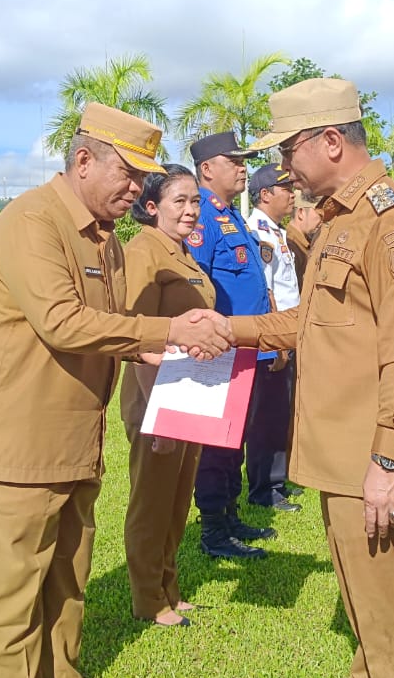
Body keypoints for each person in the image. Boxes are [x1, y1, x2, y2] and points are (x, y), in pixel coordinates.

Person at [0, 103, 231, 678]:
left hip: (74, 435)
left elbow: (114, 326)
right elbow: (65, 323)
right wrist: (166, 334)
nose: (138, 190)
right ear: (82, 161)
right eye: (128, 174)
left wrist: (152, 353)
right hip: (13, 437)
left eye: (142, 178)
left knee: (68, 570)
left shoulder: (105, 238)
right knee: (13, 578)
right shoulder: (31, 222)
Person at [231, 78, 394, 678]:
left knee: (393, 608)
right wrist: (227, 333)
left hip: (372, 457)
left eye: (290, 148)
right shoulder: (338, 220)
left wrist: (389, 459)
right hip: (338, 451)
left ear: (331, 141)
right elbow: (309, 324)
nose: (283, 167)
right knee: (363, 598)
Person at [120, 164, 213, 628]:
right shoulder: (145, 253)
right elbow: (137, 338)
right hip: (155, 398)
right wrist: (157, 416)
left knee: (178, 500)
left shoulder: (182, 254)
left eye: (195, 201)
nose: (191, 211)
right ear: (152, 207)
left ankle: (169, 587)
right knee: (152, 500)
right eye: (180, 201)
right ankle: (146, 598)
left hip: (190, 395)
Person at [187, 130, 280, 558]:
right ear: (207, 169)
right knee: (217, 445)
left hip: (247, 350)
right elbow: (197, 286)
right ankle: (213, 531)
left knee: (235, 440)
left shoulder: (232, 215)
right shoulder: (202, 217)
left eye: (244, 161)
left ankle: (230, 513)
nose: (243, 167)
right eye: (234, 161)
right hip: (221, 354)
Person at [245, 160, 302, 512]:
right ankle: (262, 487)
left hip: (287, 334)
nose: (293, 196)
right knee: (265, 415)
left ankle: (277, 480)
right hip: (274, 337)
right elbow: (265, 292)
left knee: (280, 410)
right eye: (286, 190)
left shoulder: (276, 230)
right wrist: (276, 342)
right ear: (265, 194)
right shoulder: (258, 232)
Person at [287, 192, 323, 285]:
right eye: (320, 215)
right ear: (301, 213)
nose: (323, 221)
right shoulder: (290, 246)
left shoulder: (305, 242)